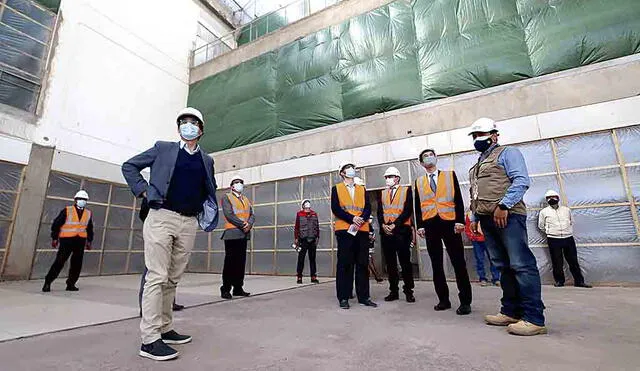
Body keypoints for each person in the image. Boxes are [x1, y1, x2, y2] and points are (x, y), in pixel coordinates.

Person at [122, 107, 219, 361]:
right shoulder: (163, 148)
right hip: (161, 217)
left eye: (194, 122)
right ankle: (150, 339)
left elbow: (209, 187)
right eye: (184, 122)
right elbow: (129, 166)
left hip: (188, 223)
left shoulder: (206, 160)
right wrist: (144, 191)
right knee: (157, 275)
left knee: (172, 279)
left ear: (201, 129)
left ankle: (165, 328)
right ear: (179, 128)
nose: (189, 126)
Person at [468, 117, 546, 336]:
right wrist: (474, 218)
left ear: (494, 135)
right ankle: (510, 311)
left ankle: (534, 318)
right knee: (502, 266)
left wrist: (504, 205)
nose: (477, 139)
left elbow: (521, 181)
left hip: (508, 216)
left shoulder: (508, 153)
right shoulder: (478, 163)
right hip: (486, 218)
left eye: (481, 135)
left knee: (521, 264)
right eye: (475, 136)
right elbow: (476, 193)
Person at [414, 149, 472, 315]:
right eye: (425, 156)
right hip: (430, 224)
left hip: (450, 222)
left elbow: (458, 199)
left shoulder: (449, 175)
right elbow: (418, 205)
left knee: (458, 261)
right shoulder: (418, 182)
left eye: (431, 155)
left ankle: (465, 301)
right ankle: (443, 300)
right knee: (436, 264)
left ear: (436, 158)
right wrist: (420, 225)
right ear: (421, 162)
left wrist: (460, 221)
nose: (429, 158)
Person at [331, 163, 377, 309]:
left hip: (361, 230)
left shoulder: (361, 189)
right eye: (348, 168)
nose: (352, 170)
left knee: (362, 264)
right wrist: (352, 218)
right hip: (345, 230)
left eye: (353, 168)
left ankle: (364, 297)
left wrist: (361, 218)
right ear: (342, 173)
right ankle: (343, 297)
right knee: (345, 264)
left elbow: (367, 207)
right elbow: (336, 208)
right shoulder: (336, 189)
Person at [137, 198, 185, 317]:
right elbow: (143, 212)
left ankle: (169, 303)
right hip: (157, 231)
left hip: (173, 231)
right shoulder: (155, 189)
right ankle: (146, 307)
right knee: (153, 270)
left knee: (170, 270)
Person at [538, 190, 592, 288]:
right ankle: (559, 281)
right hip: (553, 239)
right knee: (557, 261)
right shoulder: (543, 212)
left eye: (553, 197)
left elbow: (571, 221)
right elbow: (541, 226)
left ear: (558, 198)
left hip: (568, 238)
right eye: (549, 198)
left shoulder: (566, 210)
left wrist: (567, 230)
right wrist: (550, 232)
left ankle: (579, 281)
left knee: (573, 261)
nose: (551, 199)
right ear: (546, 200)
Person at [42, 190, 93, 292]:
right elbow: (56, 224)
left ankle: (71, 284)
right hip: (67, 240)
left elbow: (90, 228)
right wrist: (55, 238)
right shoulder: (67, 210)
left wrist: (89, 241)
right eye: (80, 199)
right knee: (60, 261)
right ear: (75, 200)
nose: (82, 201)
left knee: (77, 264)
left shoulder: (88, 213)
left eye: (84, 200)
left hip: (80, 241)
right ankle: (48, 282)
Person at [378, 166, 415, 303]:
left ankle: (408, 291)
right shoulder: (382, 193)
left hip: (402, 231)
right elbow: (380, 212)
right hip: (387, 232)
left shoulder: (406, 190)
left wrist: (395, 224)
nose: (388, 179)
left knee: (405, 262)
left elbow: (407, 210)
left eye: (390, 177)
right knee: (390, 263)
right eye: (386, 177)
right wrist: (383, 224)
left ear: (397, 178)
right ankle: (393, 291)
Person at [220, 175, 254, 299]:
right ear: (232, 186)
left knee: (240, 263)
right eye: (236, 182)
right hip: (232, 234)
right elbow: (229, 214)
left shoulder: (246, 199)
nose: (239, 184)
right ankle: (225, 289)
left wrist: (249, 224)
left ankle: (238, 288)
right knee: (230, 263)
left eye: (241, 182)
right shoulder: (226, 197)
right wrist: (243, 224)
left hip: (243, 234)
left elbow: (252, 214)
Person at [465, 211, 500, 286]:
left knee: (493, 259)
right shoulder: (470, 214)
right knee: (479, 259)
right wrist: (472, 237)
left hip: (489, 239)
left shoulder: (488, 211)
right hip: (477, 241)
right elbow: (467, 227)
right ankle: (482, 278)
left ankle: (496, 278)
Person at [294, 199, 320, 284]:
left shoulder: (314, 214)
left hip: (312, 239)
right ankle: (299, 277)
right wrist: (296, 238)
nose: (308, 207)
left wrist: (317, 237)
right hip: (303, 240)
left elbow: (317, 226)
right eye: (306, 205)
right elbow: (297, 227)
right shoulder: (299, 214)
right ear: (303, 206)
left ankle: (313, 276)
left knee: (312, 259)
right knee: (301, 259)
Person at [366, 215, 384, 283]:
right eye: (369, 218)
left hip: (370, 246)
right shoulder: (366, 226)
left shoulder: (370, 227)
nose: (370, 220)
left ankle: (375, 275)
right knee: (369, 261)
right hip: (366, 246)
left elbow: (372, 236)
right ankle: (376, 276)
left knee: (370, 261)